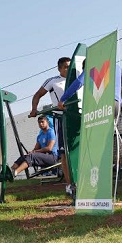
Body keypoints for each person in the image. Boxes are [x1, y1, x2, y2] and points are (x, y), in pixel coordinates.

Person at [29, 56, 73, 195]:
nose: (68, 69)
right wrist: (34, 109)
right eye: (66, 66)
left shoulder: (77, 80)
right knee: (64, 152)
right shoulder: (53, 81)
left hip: (77, 117)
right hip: (62, 118)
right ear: (60, 68)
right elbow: (37, 95)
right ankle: (70, 185)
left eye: (70, 66)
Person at [57, 61, 122, 117]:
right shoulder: (116, 67)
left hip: (100, 107)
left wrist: (63, 99)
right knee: (109, 134)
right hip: (116, 104)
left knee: (96, 136)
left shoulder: (91, 67)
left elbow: (79, 82)